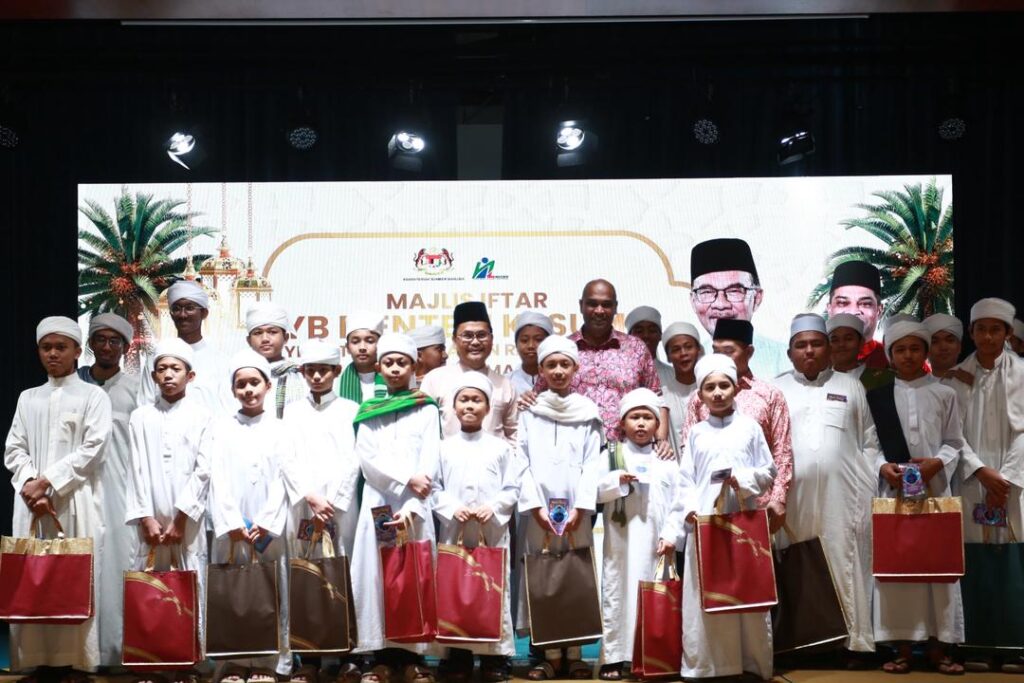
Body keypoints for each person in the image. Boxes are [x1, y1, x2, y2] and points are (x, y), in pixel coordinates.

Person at [4, 316, 112, 679]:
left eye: (61, 347)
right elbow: (14, 449)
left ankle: (76, 663)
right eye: (46, 347)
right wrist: (31, 485)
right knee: (33, 580)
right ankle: (37, 662)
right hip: (32, 504)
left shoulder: (93, 397)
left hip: (75, 500)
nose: (53, 354)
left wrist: (48, 482)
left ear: (77, 351)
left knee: (75, 580)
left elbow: (94, 448)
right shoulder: (28, 398)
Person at [658, 353, 775, 681]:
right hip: (705, 523)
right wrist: (684, 518)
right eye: (710, 387)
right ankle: (708, 666)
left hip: (743, 521)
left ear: (736, 388)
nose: (718, 392)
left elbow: (768, 471)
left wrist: (743, 479)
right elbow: (686, 481)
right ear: (700, 394)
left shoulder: (750, 428)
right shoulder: (697, 433)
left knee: (748, 590)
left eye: (724, 385)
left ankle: (751, 663)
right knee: (706, 592)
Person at [773, 314, 882, 660]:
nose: (809, 351)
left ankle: (852, 642)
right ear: (790, 353)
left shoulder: (850, 386)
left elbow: (869, 441)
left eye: (816, 343)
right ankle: (801, 643)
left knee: (844, 561)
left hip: (844, 497)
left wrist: (866, 482)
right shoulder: (777, 389)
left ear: (829, 349)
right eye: (801, 345)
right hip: (794, 499)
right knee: (799, 565)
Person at [872, 321, 966, 675]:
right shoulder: (878, 397)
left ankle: (940, 649)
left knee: (938, 570)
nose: (908, 355)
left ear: (925, 352)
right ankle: (904, 649)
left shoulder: (944, 393)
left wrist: (936, 464)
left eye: (915, 348)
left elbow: (955, 442)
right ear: (890, 355)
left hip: (935, 490)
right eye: (900, 349)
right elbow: (869, 444)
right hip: (894, 492)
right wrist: (882, 467)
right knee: (899, 569)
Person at [350, 334, 441, 683]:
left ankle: (413, 658)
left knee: (412, 579)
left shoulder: (425, 407)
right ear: (378, 367)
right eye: (388, 363)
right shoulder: (368, 410)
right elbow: (367, 459)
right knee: (378, 577)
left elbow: (430, 457)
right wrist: (406, 478)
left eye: (402, 362)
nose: (395, 369)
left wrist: (415, 502)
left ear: (414, 366)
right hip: (380, 504)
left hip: (414, 506)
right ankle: (382, 659)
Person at [516, 335, 604, 681]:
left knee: (576, 577)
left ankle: (576, 654)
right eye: (550, 364)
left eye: (564, 364)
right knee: (544, 579)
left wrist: (581, 507)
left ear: (575, 368)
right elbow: (520, 460)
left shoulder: (587, 411)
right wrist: (535, 506)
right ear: (540, 369)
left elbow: (593, 463)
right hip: (539, 512)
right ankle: (551, 656)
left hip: (577, 513)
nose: (558, 371)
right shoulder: (530, 411)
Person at [944, 298, 1024, 673]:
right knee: (973, 558)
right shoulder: (955, 378)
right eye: (981, 329)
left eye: (996, 329)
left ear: (1007, 333)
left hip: (1014, 485)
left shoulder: (1022, 373)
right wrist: (980, 471)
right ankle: (976, 643)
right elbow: (952, 435)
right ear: (971, 332)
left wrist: (1004, 478)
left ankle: (1015, 645)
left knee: (1014, 559)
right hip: (973, 482)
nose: (988, 336)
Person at [124, 338, 211, 681]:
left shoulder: (202, 416)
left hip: (187, 522)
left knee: (191, 584)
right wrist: (145, 516)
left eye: (176, 368)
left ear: (190, 375)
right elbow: (135, 469)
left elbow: (204, 470)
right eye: (162, 369)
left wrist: (182, 517)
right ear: (154, 376)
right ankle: (152, 662)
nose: (168, 375)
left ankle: (189, 663)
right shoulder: (140, 417)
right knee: (151, 589)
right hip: (150, 523)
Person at [207, 349, 294, 683]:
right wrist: (231, 522)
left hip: (267, 529)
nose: (248, 390)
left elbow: (285, 477)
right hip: (233, 528)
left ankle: (269, 663)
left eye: (254, 383)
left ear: (267, 386)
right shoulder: (221, 428)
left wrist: (268, 521)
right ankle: (235, 661)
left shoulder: (281, 429)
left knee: (271, 590)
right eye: (241, 384)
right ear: (232, 390)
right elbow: (216, 477)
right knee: (233, 593)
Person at [431, 372, 523, 683]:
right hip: (454, 530)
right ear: (454, 407)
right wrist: (451, 508)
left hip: (491, 531)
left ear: (487, 408)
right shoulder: (443, 447)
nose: (469, 406)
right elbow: (434, 488)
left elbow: (512, 487)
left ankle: (494, 658)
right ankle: (458, 656)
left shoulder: (500, 448)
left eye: (476, 400)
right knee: (457, 591)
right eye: (464, 400)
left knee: (492, 589)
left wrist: (493, 507)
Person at [281, 340, 362, 683]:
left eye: (323, 371)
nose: (316, 376)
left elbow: (354, 458)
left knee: (343, 574)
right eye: (310, 371)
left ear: (336, 372)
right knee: (306, 577)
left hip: (339, 510)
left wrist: (333, 501)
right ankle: (310, 658)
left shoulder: (350, 409)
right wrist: (310, 497)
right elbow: (287, 458)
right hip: (304, 507)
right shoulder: (293, 412)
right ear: (302, 372)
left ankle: (347, 656)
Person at [596, 388, 681, 681]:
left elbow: (680, 501)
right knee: (617, 594)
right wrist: (616, 480)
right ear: (622, 422)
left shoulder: (666, 458)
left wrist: (671, 534)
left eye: (648, 417)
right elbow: (594, 491)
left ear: (658, 423)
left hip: (658, 542)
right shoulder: (611, 454)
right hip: (621, 542)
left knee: (654, 596)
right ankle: (614, 656)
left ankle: (652, 656)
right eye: (635, 417)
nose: (641, 423)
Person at [529, 280, 669, 453]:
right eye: (592, 304)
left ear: (616, 307)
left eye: (606, 305)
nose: (599, 311)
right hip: (572, 451)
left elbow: (657, 398)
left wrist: (661, 440)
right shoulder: (562, 350)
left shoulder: (636, 348)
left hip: (624, 452)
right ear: (581, 306)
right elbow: (539, 396)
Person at [680, 318, 792, 531]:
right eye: (716, 351)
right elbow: (688, 457)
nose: (720, 358)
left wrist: (778, 498)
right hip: (707, 507)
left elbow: (782, 452)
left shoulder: (769, 395)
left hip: (755, 506)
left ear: (749, 352)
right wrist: (689, 505)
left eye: (728, 351)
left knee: (751, 551)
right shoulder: (697, 399)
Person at [77, 313, 140, 668]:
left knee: (116, 567)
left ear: (125, 347)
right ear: (89, 344)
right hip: (79, 489)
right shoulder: (74, 385)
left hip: (119, 489)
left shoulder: (135, 389)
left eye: (114, 341)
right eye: (99, 339)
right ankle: (80, 655)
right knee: (81, 567)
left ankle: (115, 652)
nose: (106, 346)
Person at [420, 301, 518, 445]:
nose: (475, 342)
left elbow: (514, 436)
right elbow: (424, 431)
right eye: (467, 336)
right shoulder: (434, 380)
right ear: (454, 340)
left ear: (492, 339)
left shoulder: (505, 385)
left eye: (482, 335)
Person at [688, 238, 787, 378]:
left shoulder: (786, 361)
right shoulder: (687, 364)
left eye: (734, 291)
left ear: (757, 298)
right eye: (707, 292)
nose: (721, 304)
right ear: (693, 301)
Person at [139, 280, 233, 414]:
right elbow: (145, 406)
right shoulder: (156, 358)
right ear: (171, 314)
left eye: (189, 308)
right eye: (176, 309)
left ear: (204, 313)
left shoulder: (221, 362)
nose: (182, 315)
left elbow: (229, 410)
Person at [245, 302, 306, 418]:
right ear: (248, 341)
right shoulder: (238, 380)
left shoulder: (302, 377)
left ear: (285, 337)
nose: (265, 339)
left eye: (272, 332)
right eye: (257, 333)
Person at [826, 261, 888, 369]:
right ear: (829, 309)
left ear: (879, 310)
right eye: (842, 303)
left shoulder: (895, 361)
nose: (853, 311)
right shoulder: (814, 359)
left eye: (865, 304)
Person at [657, 321, 703, 456]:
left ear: (698, 350)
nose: (683, 353)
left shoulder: (710, 390)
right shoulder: (662, 395)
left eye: (688, 347)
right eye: (676, 349)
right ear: (668, 357)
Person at [827, 313, 895, 391]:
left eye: (848, 339)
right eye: (834, 340)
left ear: (861, 343)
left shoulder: (886, 379)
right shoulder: (820, 381)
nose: (841, 344)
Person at [339, 311, 387, 404]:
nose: (362, 347)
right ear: (347, 347)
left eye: (370, 341)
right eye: (355, 342)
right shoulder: (335, 382)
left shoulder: (394, 379)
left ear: (380, 344)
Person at [507, 311, 553, 395]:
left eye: (538, 340)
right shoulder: (505, 383)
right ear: (516, 344)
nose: (531, 346)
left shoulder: (560, 380)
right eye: (524, 340)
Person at [625, 305, 672, 376]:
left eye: (652, 330)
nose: (646, 335)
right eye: (639, 331)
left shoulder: (674, 375)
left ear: (660, 336)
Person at [923, 314, 965, 381]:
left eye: (950, 340)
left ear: (959, 347)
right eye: (934, 342)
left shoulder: (977, 384)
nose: (943, 347)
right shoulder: (914, 386)